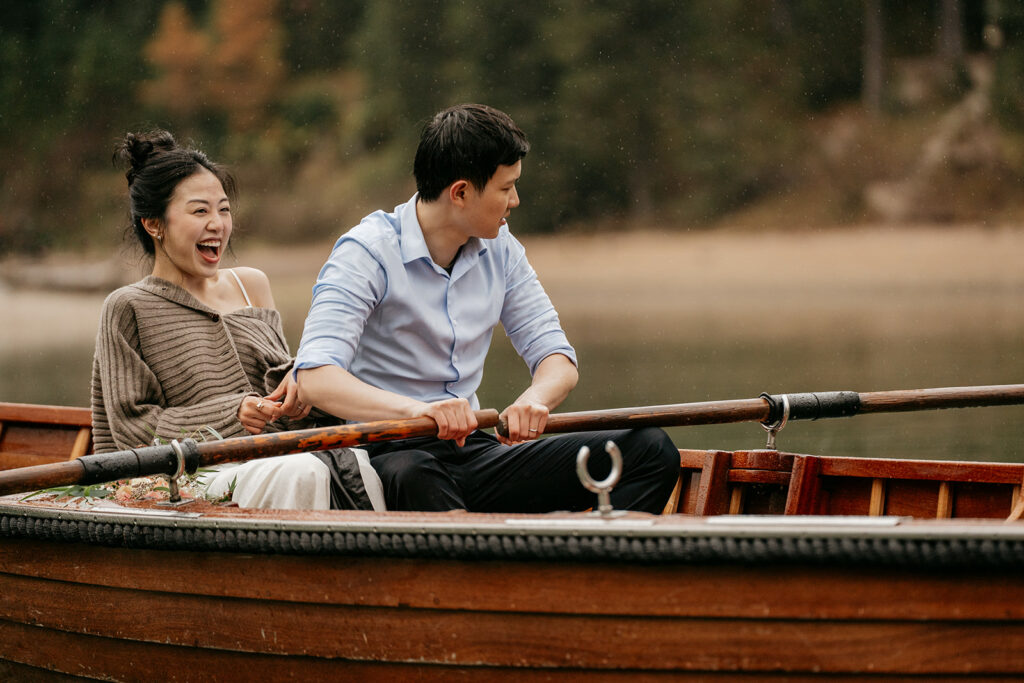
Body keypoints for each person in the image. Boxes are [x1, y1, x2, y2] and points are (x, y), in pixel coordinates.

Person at [295, 104, 679, 513]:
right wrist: (421, 411)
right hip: (386, 454)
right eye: (505, 187)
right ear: (460, 192)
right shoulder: (365, 252)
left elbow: (557, 359)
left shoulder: (502, 249)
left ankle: (588, 571)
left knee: (649, 449)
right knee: (416, 474)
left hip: (475, 450)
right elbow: (316, 379)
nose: (515, 199)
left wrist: (535, 400)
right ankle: (483, 565)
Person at [91, 130, 384, 511]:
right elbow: (135, 429)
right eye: (200, 211)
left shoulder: (252, 285)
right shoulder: (127, 307)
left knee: (365, 462)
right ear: (154, 224)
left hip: (276, 453)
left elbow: (277, 377)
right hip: (188, 475)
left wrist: (297, 391)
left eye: (223, 209)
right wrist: (233, 414)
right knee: (301, 473)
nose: (218, 224)